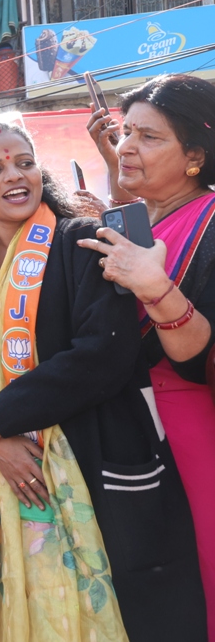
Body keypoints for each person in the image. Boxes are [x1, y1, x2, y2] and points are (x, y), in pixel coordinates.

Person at [0, 117, 206, 641]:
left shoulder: (80, 241)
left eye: (25, 163)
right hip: (5, 474)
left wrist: (0, 417)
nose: (15, 176)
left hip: (92, 455)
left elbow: (105, 352)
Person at [81, 74, 215, 636]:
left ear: (195, 157)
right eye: (126, 132)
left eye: (149, 137)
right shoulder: (139, 222)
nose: (126, 147)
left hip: (192, 428)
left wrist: (156, 288)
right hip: (133, 433)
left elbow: (200, 358)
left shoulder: (209, 221)